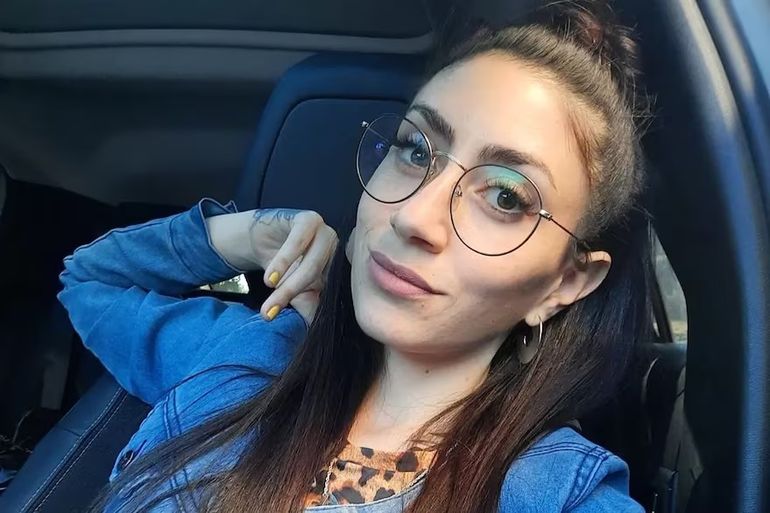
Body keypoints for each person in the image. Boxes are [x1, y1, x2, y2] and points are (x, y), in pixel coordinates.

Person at [57, 1, 653, 511]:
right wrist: (250, 235)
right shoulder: (245, 356)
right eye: (415, 150)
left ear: (565, 283)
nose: (413, 216)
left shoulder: (556, 492)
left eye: (503, 197)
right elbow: (89, 281)